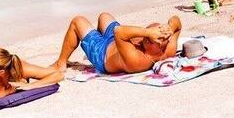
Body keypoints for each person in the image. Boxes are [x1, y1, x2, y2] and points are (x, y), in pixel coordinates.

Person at [52, 12, 182, 74]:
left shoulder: (137, 60)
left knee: (77, 21)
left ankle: (60, 63)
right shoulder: (168, 49)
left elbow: (118, 31)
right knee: (104, 16)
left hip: (102, 54)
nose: (145, 37)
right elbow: (177, 22)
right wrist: (169, 27)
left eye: (148, 39)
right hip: (118, 42)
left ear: (159, 46)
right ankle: (95, 37)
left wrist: (147, 33)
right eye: (149, 31)